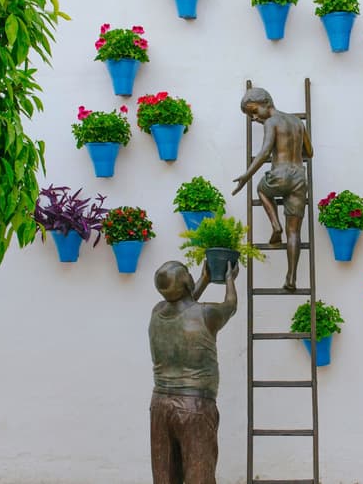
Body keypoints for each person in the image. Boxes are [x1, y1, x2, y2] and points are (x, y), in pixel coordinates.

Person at [148, 259, 238, 484]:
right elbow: (230, 306)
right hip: (195, 407)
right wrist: (229, 280)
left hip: (160, 404)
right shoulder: (207, 313)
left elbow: (183, 303)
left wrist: (204, 279)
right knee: (199, 477)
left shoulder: (157, 312)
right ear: (187, 282)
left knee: (165, 477)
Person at [232, 87, 313, 291]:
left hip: (280, 174)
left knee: (261, 188)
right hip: (299, 177)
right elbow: (310, 152)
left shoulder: (271, 121)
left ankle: (275, 225)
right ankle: (291, 278)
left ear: (266, 103)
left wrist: (246, 175)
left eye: (254, 111)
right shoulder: (297, 122)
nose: (253, 117)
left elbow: (265, 151)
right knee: (294, 231)